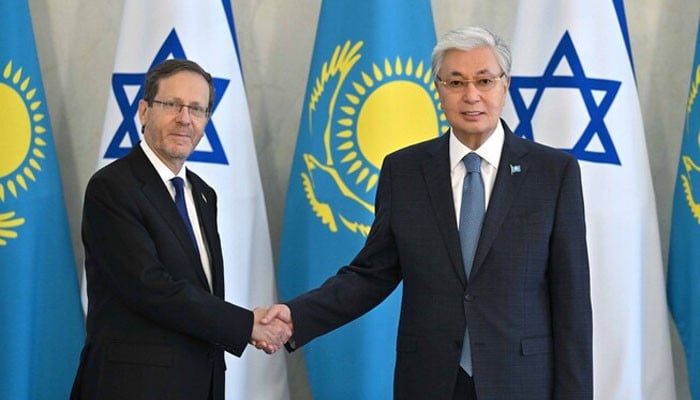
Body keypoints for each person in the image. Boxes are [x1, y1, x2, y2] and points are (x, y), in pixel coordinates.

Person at [261, 27, 592, 399]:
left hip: (521, 382)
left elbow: (572, 304)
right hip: (429, 381)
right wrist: (297, 316)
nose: (471, 95)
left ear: (505, 85)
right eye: (456, 82)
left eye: (484, 81)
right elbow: (371, 274)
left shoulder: (553, 174)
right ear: (438, 89)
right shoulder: (404, 172)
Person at [70, 59, 290, 400]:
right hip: (134, 387)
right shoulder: (112, 187)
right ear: (144, 111)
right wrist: (246, 324)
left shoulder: (203, 194)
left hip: (201, 383)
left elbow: (201, 291)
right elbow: (150, 286)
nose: (185, 119)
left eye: (197, 109)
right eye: (172, 104)